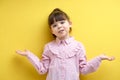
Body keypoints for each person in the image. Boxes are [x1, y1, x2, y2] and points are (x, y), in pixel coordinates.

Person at [16, 8, 115, 80]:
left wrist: (99, 58)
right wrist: (29, 55)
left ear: (70, 23)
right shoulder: (48, 47)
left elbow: (84, 70)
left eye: (62, 22)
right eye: (55, 25)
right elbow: (42, 69)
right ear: (51, 30)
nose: (59, 26)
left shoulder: (78, 46)